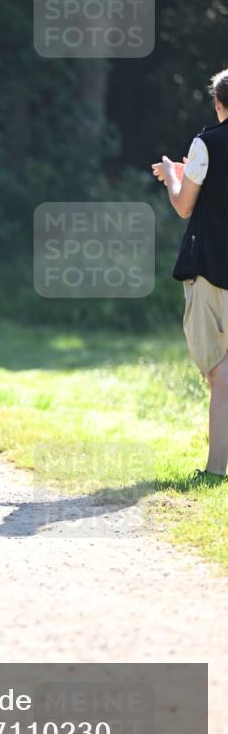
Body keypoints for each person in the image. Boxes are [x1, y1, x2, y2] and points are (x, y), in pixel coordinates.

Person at [152, 68, 228, 480]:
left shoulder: (207, 143)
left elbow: (184, 206)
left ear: (219, 104)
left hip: (213, 270)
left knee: (219, 372)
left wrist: (171, 175)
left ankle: (216, 470)